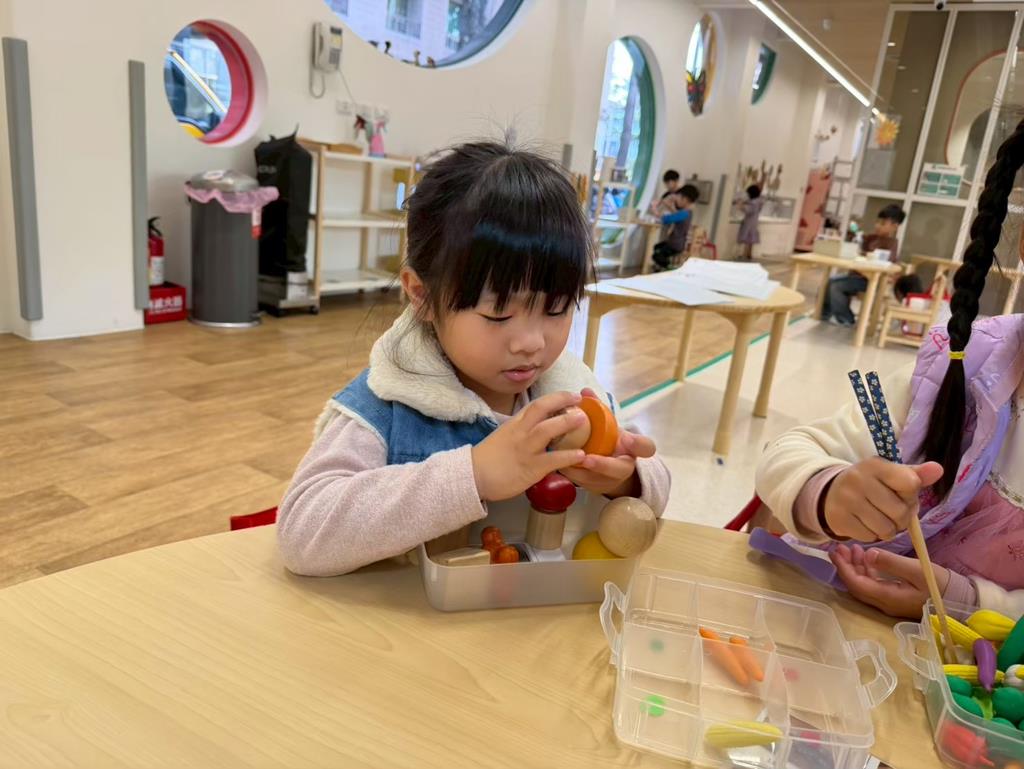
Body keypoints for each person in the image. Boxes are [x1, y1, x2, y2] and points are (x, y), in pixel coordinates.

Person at [277, 141, 671, 576]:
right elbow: (301, 534)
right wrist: (474, 474)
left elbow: (656, 484)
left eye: (557, 309)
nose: (531, 342)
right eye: (498, 314)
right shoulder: (387, 403)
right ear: (421, 296)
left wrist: (625, 480)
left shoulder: (572, 395)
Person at [754, 121, 1024, 619]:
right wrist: (829, 492)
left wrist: (965, 600)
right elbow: (788, 453)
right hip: (829, 616)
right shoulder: (961, 364)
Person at [821, 204, 906, 326]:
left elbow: (886, 262)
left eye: (882, 224)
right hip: (858, 276)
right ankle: (825, 314)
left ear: (894, 226)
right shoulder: (871, 238)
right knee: (830, 280)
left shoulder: (892, 243)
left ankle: (846, 319)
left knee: (836, 286)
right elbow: (857, 240)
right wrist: (854, 233)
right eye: (877, 222)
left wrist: (866, 255)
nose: (877, 226)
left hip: (872, 280)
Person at [652, 184, 700, 272]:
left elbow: (667, 219)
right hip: (676, 243)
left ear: (685, 199)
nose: (676, 201)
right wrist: (667, 205)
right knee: (657, 247)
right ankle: (662, 267)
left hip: (675, 245)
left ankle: (670, 269)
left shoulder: (684, 213)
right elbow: (676, 214)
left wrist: (655, 209)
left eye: (678, 198)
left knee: (657, 256)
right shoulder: (687, 212)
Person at [736, 185, 763, 261]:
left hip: (749, 223)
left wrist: (740, 205)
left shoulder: (753, 203)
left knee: (747, 240)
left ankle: (744, 255)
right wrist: (745, 202)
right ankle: (749, 254)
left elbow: (747, 210)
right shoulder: (759, 201)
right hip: (754, 222)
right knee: (751, 240)